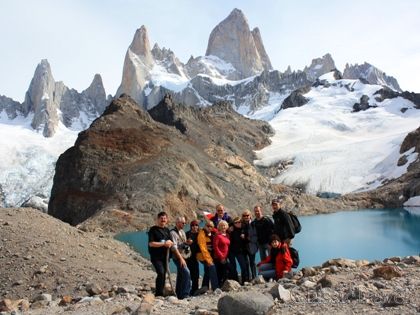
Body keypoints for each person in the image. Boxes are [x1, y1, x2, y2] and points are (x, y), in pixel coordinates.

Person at [148, 211, 173, 297]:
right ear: (158, 219)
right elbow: (151, 243)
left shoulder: (167, 230)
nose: (163, 220)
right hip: (156, 257)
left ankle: (161, 291)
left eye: (164, 218)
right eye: (161, 218)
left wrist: (170, 242)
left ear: (167, 220)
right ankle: (158, 294)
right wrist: (164, 244)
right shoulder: (153, 230)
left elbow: (170, 241)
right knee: (161, 273)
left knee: (164, 274)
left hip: (165, 257)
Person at [170, 216, 192, 299]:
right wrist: (181, 259)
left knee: (180, 275)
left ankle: (179, 294)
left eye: (185, 223)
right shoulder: (173, 233)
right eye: (183, 223)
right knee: (187, 273)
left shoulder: (182, 231)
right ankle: (185, 294)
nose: (184, 224)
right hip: (178, 257)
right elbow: (174, 247)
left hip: (183, 256)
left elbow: (182, 243)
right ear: (177, 223)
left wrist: (187, 242)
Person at [196, 221, 219, 291]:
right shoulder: (201, 234)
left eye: (211, 226)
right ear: (205, 226)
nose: (209, 227)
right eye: (208, 226)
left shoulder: (212, 233)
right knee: (212, 267)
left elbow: (217, 230)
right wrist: (209, 260)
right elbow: (203, 248)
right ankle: (215, 288)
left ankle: (204, 287)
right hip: (202, 256)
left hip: (209, 255)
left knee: (207, 271)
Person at [228, 216, 250, 284]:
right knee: (233, 267)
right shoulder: (231, 230)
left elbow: (247, 240)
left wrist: (244, 237)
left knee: (243, 266)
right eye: (236, 223)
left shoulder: (244, 229)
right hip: (231, 251)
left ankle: (244, 281)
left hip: (240, 251)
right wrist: (230, 227)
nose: (238, 223)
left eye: (239, 222)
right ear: (233, 224)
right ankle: (235, 281)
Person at [241, 210, 258, 280]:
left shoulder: (254, 224)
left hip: (252, 246)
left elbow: (256, 235)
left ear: (250, 216)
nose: (246, 217)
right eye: (244, 216)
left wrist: (249, 238)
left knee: (252, 263)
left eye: (247, 215)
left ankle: (254, 277)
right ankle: (247, 278)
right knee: (246, 263)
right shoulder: (241, 224)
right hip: (243, 247)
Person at [213, 220, 230, 287]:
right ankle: (219, 287)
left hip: (225, 257)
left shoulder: (227, 235)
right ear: (219, 227)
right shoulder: (217, 235)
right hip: (219, 257)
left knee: (226, 271)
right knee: (220, 273)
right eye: (221, 225)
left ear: (226, 227)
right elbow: (215, 247)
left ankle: (224, 286)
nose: (223, 227)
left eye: (224, 225)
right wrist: (221, 257)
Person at [186, 220, 200, 295]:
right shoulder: (187, 234)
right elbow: (183, 243)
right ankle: (188, 290)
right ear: (191, 226)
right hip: (188, 256)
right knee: (188, 273)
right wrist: (187, 242)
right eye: (193, 225)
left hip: (196, 256)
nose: (195, 227)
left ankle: (195, 289)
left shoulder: (199, 234)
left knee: (196, 274)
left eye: (196, 225)